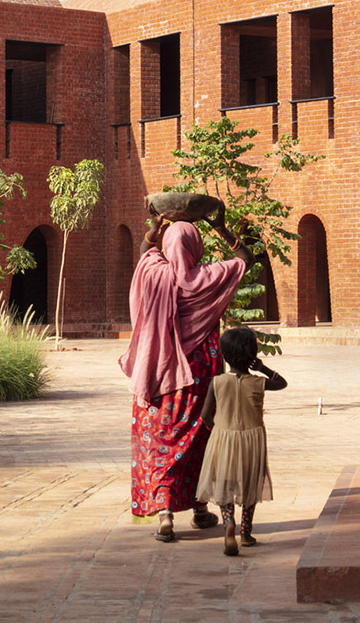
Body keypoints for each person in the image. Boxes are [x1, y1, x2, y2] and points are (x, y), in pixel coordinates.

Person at [119, 210, 252, 542]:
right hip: (196, 375)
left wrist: (153, 228)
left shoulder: (151, 273)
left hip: (157, 375)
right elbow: (244, 258)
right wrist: (221, 226)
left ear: (166, 245)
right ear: (195, 247)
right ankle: (200, 509)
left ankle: (164, 513)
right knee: (199, 438)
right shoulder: (205, 277)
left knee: (159, 441)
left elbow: (144, 255)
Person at [195, 326, 287, 556]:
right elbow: (281, 382)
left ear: (224, 355)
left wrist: (216, 430)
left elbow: (205, 415)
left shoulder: (217, 382)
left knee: (225, 483)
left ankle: (228, 524)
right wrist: (263, 367)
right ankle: (246, 532)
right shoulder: (258, 382)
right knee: (249, 484)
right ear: (253, 355)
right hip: (252, 440)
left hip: (223, 438)